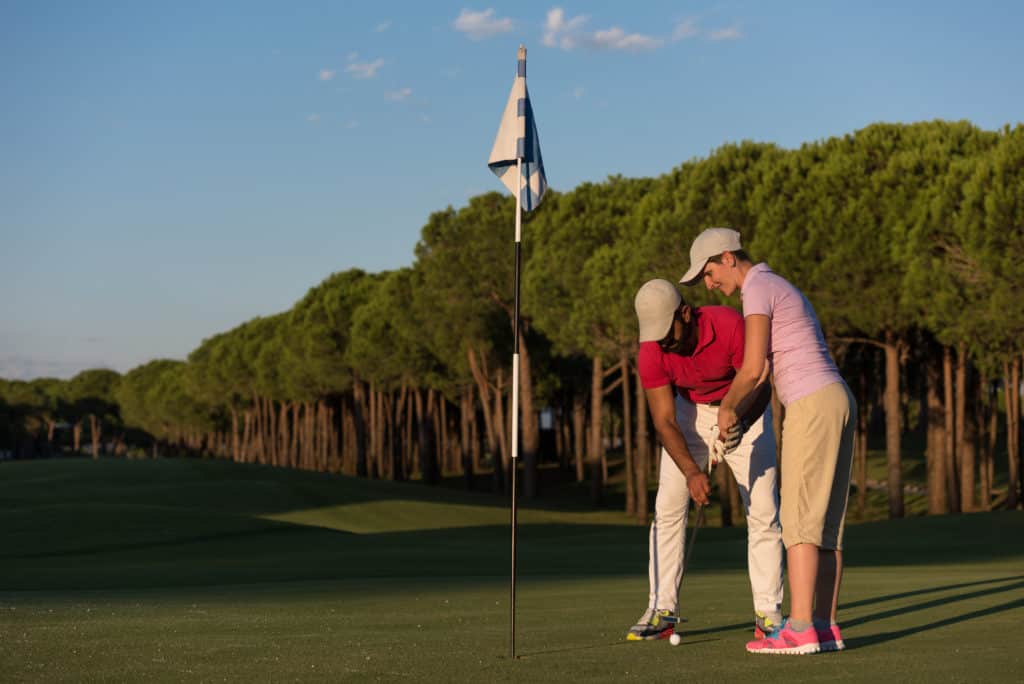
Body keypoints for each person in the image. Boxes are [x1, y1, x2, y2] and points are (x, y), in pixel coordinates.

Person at [680, 227, 856, 655]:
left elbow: (753, 368)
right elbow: (762, 381)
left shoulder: (757, 288)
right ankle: (824, 626)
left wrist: (725, 409)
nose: (708, 284)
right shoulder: (778, 284)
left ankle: (798, 628)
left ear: (727, 257)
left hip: (811, 405)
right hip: (839, 399)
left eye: (707, 273)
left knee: (798, 522)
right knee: (827, 528)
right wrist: (739, 419)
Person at [627, 278, 784, 643]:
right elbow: (664, 420)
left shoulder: (728, 325)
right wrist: (692, 471)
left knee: (763, 510)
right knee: (667, 507)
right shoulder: (653, 349)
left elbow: (761, 383)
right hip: (688, 414)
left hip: (744, 405)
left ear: (685, 313)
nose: (664, 345)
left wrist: (740, 422)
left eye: (669, 336)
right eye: (657, 339)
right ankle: (661, 609)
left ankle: (769, 612)